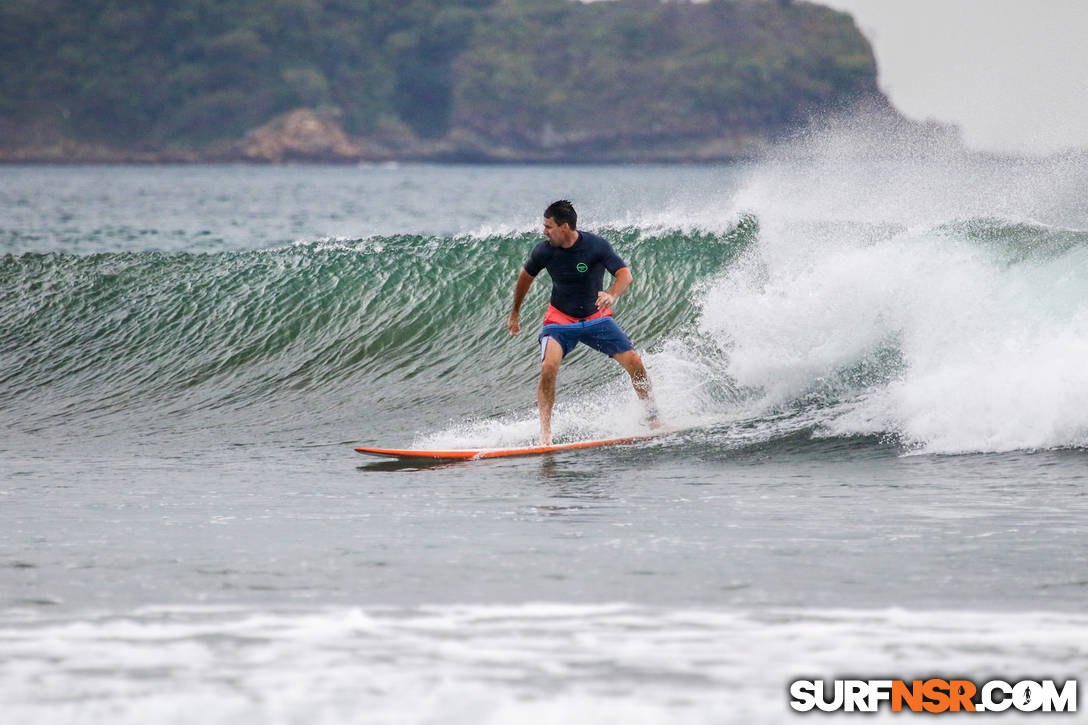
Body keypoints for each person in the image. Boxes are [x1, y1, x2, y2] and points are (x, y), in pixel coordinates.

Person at [507, 200, 659, 445]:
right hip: (559, 318)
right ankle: (545, 434)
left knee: (635, 362)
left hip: (596, 318)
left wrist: (611, 294)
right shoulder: (544, 250)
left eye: (549, 226)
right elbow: (526, 276)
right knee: (548, 368)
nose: (544, 231)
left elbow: (624, 274)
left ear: (565, 227)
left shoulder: (595, 246)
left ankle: (653, 419)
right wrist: (515, 312)